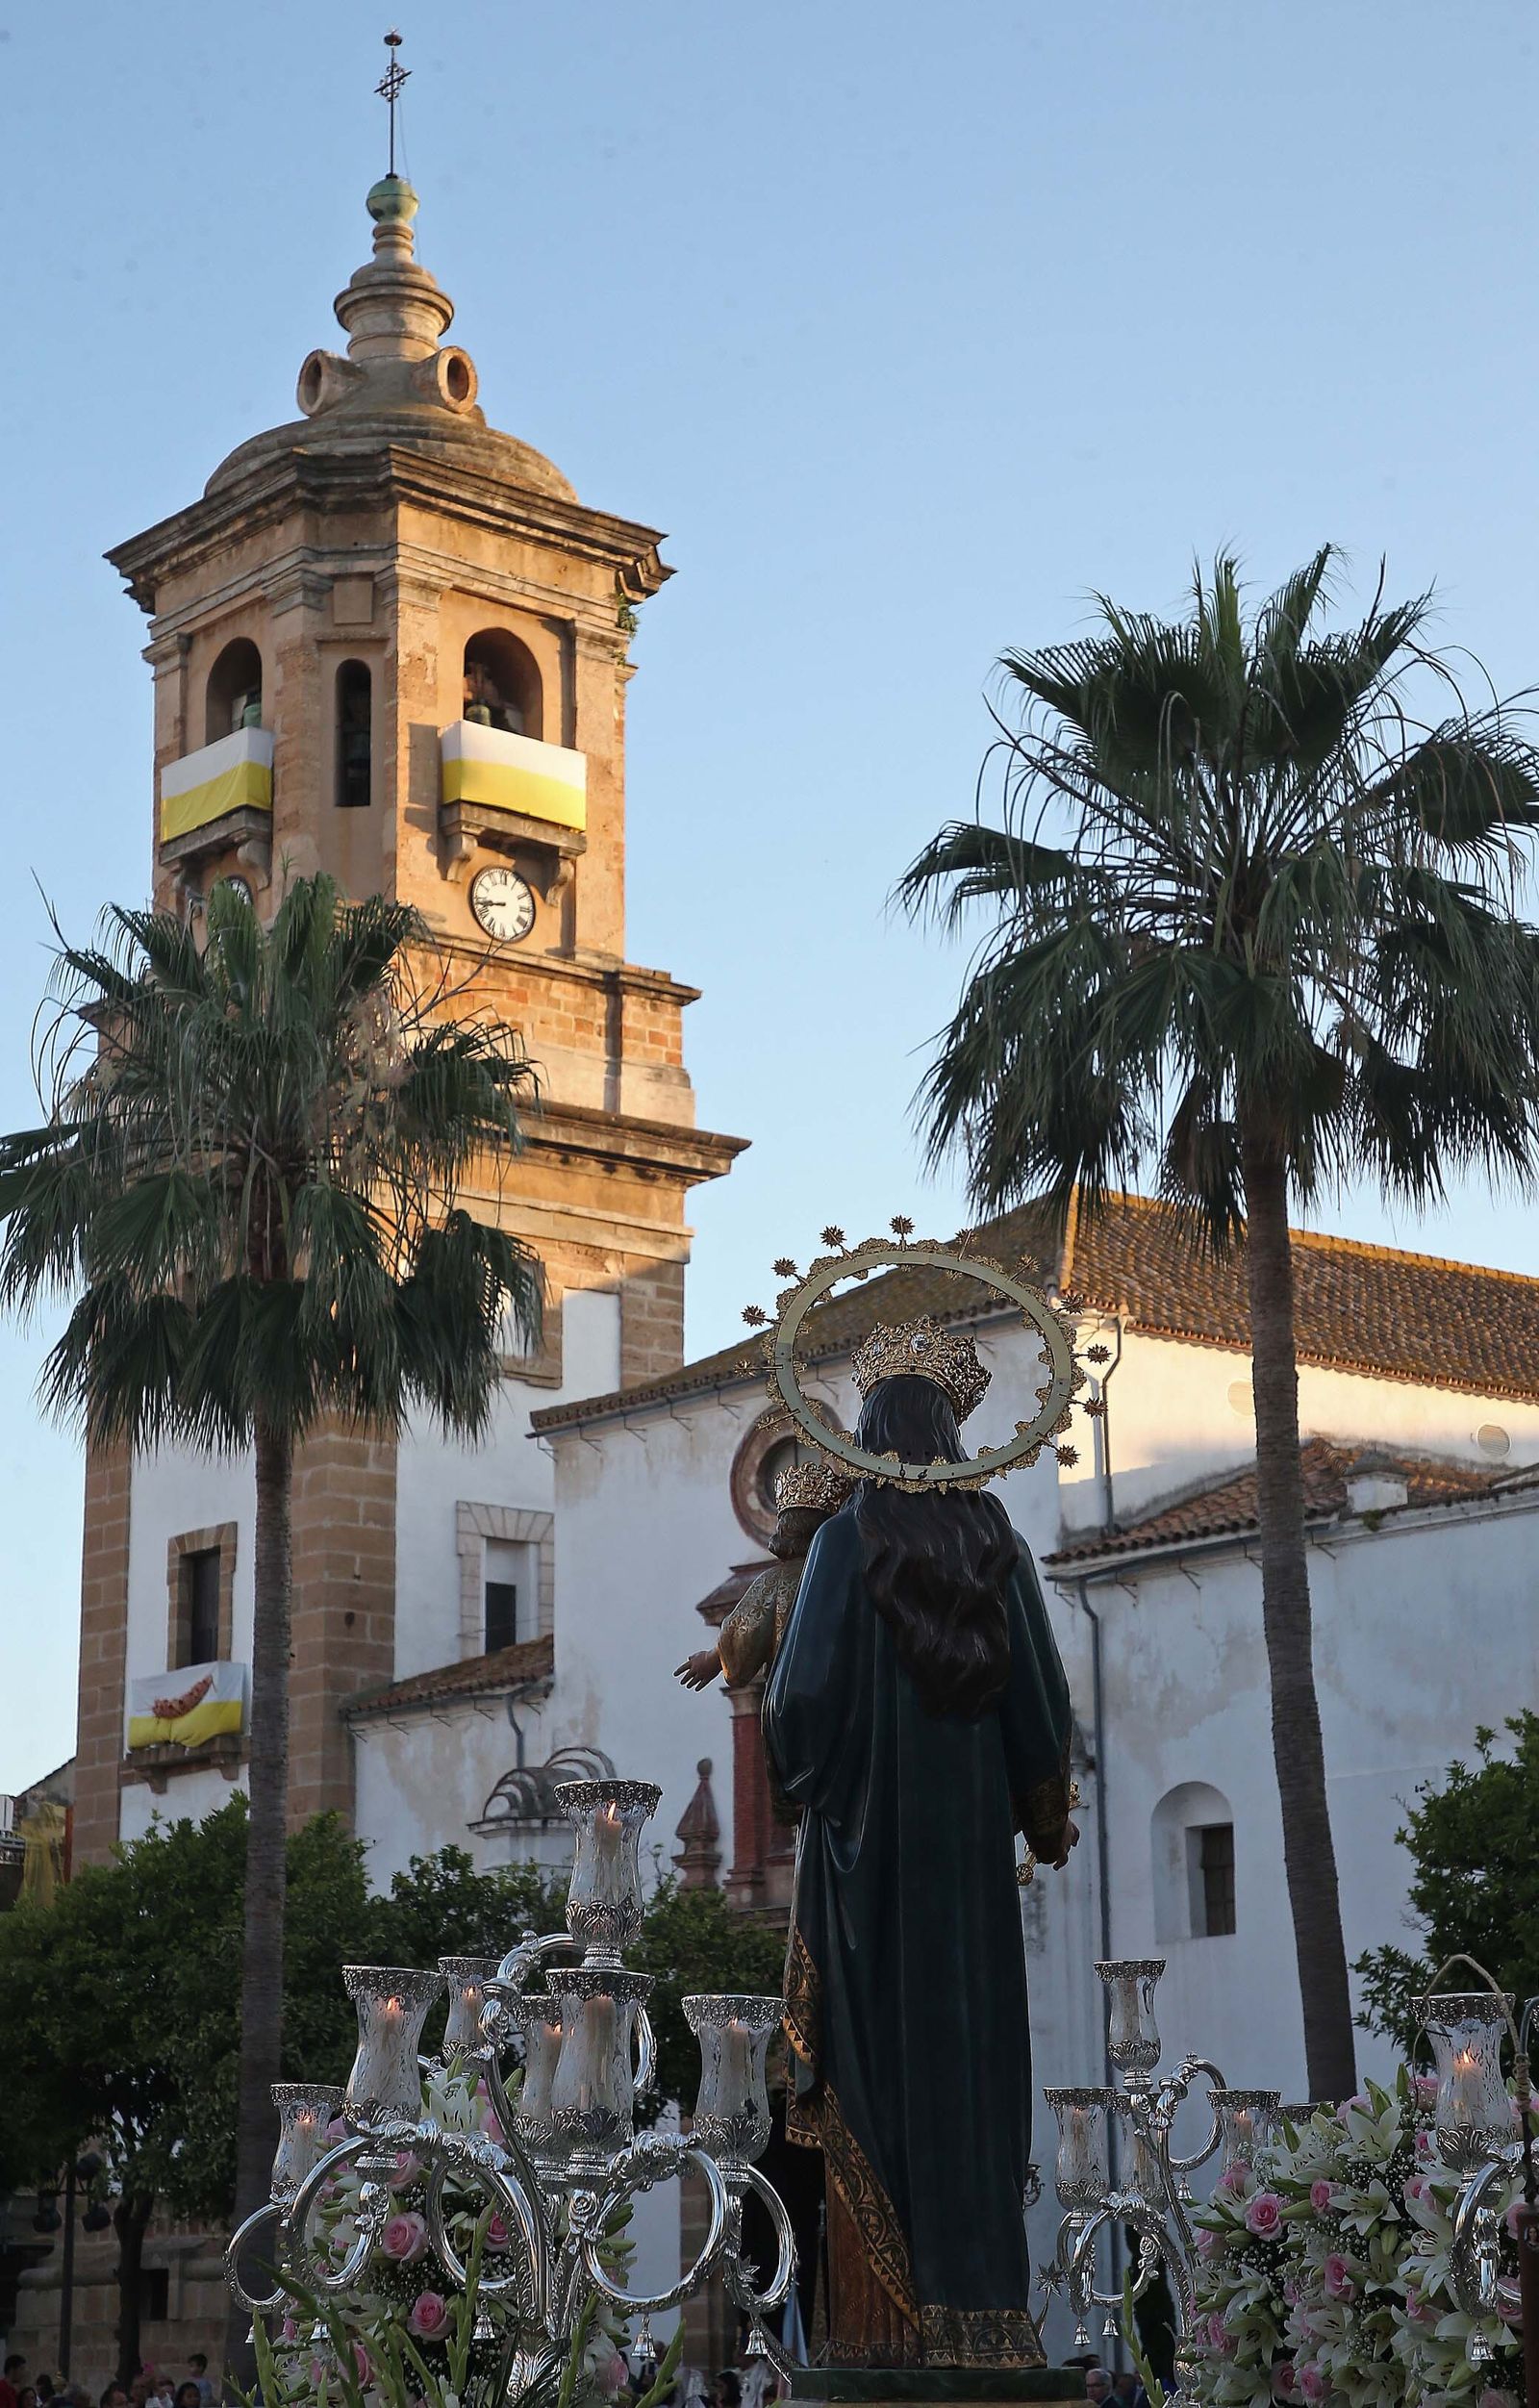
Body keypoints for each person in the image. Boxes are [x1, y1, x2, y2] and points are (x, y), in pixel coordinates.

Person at [765, 1347, 1076, 2370]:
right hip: (972, 1878)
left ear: (865, 1437)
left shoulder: (845, 1542)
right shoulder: (1000, 1544)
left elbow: (798, 1705)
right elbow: (1042, 1711)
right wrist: (1042, 1823)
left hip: (864, 1870)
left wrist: (812, 1786)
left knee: (873, 2070)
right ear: (949, 1440)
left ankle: (882, 2335)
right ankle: (983, 2317)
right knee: (971, 2063)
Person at [676, 1460, 854, 1694]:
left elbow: (744, 1632)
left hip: (799, 1699)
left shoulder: (777, 1581)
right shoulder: (852, 1575)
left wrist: (710, 1660)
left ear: (785, 1529)